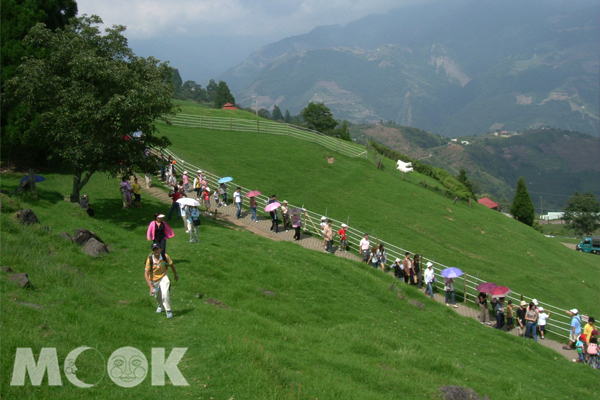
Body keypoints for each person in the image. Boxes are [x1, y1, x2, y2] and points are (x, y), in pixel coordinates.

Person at [145, 243, 179, 319]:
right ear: (152, 251)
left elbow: (171, 264)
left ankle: (168, 311)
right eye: (154, 249)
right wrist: (150, 287)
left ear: (160, 249)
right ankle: (160, 305)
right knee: (157, 296)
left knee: (165, 294)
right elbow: (146, 274)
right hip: (154, 280)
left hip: (164, 277)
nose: (156, 251)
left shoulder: (165, 256)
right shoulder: (149, 259)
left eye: (157, 249)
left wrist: (176, 274)